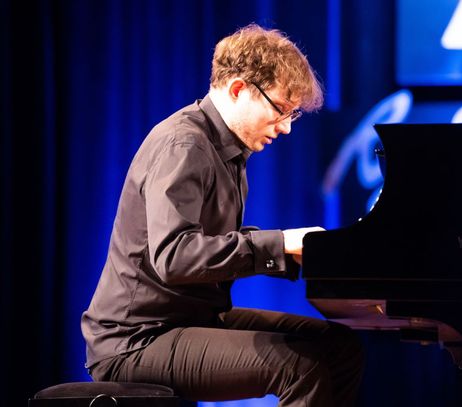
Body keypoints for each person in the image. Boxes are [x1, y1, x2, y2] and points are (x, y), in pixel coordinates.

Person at [81, 23, 364, 406]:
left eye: (293, 115)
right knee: (300, 367)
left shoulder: (227, 149)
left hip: (191, 319)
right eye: (280, 109)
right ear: (237, 89)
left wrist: (297, 252)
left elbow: (212, 242)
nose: (285, 127)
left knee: (339, 347)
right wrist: (278, 245)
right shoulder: (184, 144)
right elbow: (175, 257)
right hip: (136, 339)